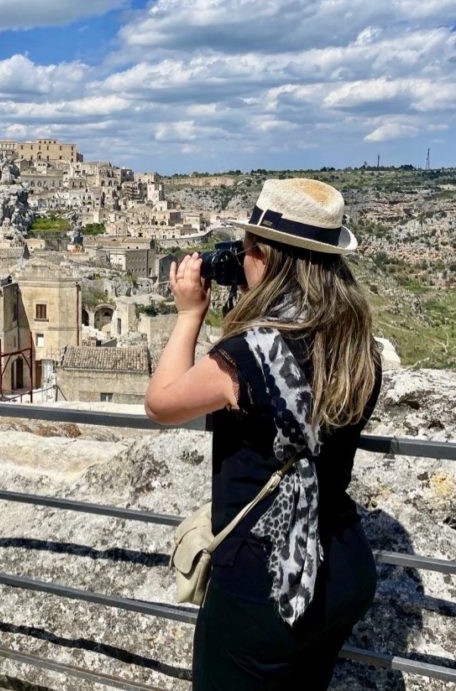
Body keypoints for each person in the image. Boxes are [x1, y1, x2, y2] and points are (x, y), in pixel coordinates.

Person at [145, 178, 381, 691]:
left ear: (269, 259)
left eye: (250, 247)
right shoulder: (357, 341)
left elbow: (162, 403)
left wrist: (190, 314)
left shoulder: (255, 354)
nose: (242, 256)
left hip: (269, 583)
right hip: (342, 564)